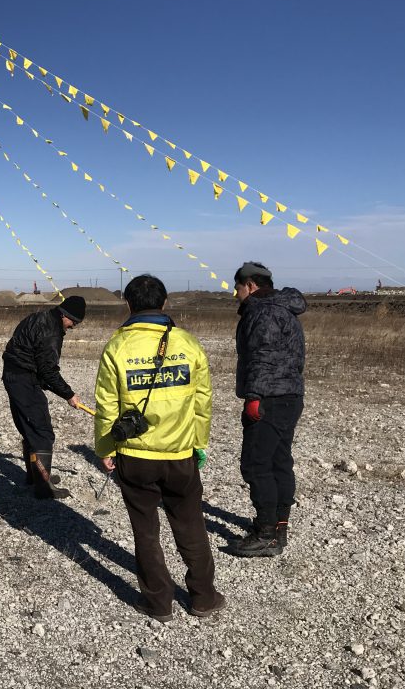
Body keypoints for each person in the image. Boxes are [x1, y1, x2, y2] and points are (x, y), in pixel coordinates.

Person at [94, 274, 224, 621]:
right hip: (180, 454)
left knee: (145, 530)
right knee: (191, 525)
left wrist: (105, 448)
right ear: (164, 304)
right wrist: (200, 444)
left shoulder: (117, 347)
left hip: (135, 456)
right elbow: (202, 401)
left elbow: (107, 404)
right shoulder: (187, 343)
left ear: (129, 304)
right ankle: (203, 597)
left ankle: (158, 602)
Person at [232, 261, 306, 558]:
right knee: (278, 461)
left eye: (237, 287)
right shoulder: (285, 308)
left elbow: (262, 355)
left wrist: (253, 397)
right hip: (289, 395)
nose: (235, 294)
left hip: (268, 398)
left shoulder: (263, 311)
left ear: (249, 285)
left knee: (256, 464)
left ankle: (266, 533)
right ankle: (279, 527)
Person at [1, 295, 85, 500]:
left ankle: (37, 478)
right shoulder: (51, 332)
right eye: (74, 321)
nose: (73, 326)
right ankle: (43, 487)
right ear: (65, 315)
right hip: (23, 379)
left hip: (13, 375)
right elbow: (48, 371)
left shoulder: (38, 317)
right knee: (42, 432)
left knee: (30, 429)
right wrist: (69, 394)